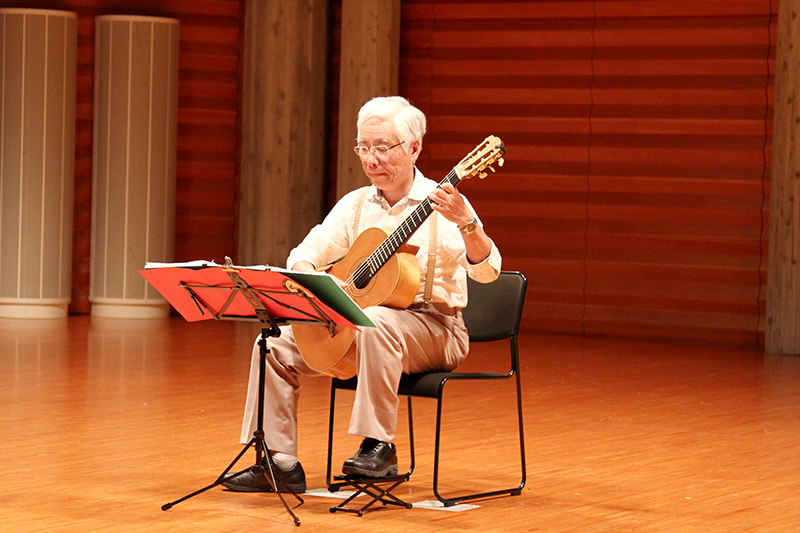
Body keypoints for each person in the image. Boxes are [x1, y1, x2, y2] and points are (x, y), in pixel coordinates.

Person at [222, 96, 501, 493]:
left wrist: (468, 223)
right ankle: (279, 463)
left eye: (382, 148)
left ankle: (378, 446)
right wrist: (322, 288)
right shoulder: (354, 205)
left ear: (414, 148)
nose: (371, 159)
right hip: (363, 325)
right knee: (275, 343)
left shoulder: (443, 203)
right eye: (363, 148)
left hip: (435, 328)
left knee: (377, 322)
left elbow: (488, 272)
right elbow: (302, 255)